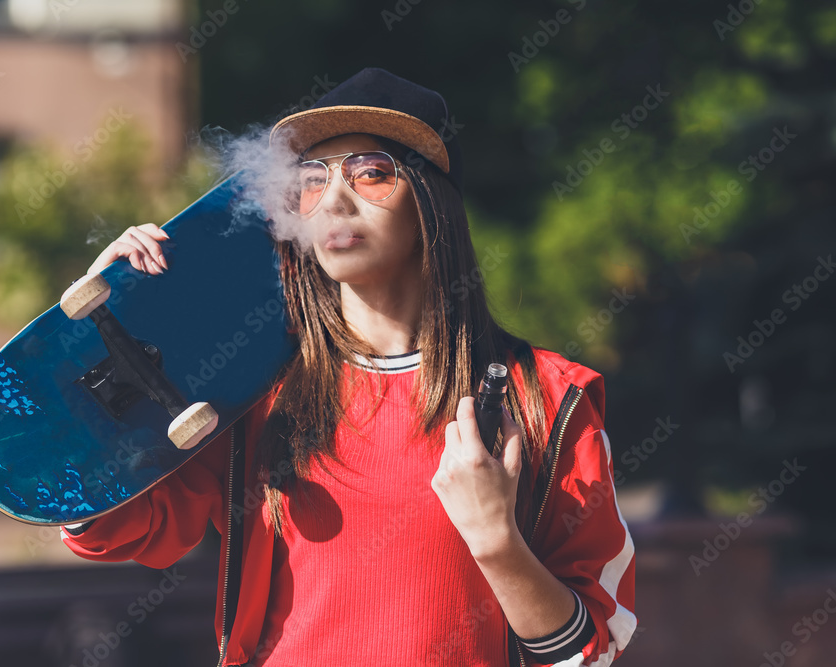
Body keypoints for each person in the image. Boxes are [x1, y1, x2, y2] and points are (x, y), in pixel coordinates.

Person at [62, 67, 636, 666]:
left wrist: (499, 543)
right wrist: (101, 346)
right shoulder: (250, 387)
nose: (333, 199)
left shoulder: (545, 395)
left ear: (430, 201)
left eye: (370, 173)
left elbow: (592, 651)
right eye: (312, 180)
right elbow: (115, 532)